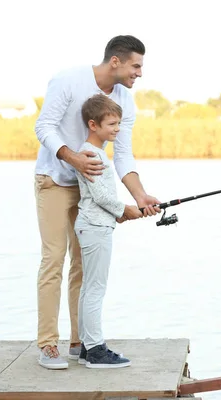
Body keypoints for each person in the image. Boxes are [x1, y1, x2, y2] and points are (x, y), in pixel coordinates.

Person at [34, 35, 160, 369]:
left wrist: (140, 195)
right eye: (136, 65)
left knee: (83, 266)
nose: (140, 74)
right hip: (56, 180)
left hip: (90, 188)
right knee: (54, 260)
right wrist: (74, 160)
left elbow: (123, 154)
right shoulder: (68, 80)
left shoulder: (124, 100)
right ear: (115, 61)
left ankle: (81, 342)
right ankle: (47, 344)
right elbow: (44, 127)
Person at [74, 93, 142, 368]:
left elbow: (99, 197)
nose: (117, 129)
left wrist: (123, 213)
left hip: (95, 225)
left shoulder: (93, 151)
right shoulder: (91, 153)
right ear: (94, 124)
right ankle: (95, 350)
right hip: (95, 228)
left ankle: (86, 348)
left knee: (89, 288)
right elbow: (101, 196)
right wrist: (125, 209)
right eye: (112, 124)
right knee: (95, 289)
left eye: (118, 123)